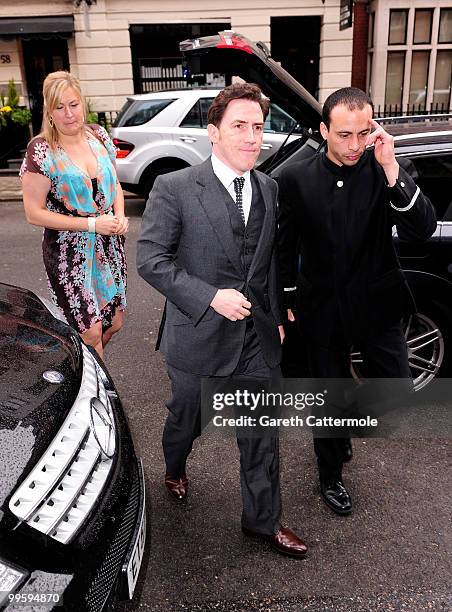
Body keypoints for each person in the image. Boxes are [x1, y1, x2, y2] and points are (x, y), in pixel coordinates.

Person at [137, 83, 307, 558]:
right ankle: (174, 465)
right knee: (185, 420)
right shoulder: (174, 187)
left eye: (258, 127)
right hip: (197, 333)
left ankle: (263, 521)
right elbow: (151, 258)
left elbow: (268, 260)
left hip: (255, 337)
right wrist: (209, 296)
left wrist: (273, 314)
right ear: (212, 132)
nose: (252, 137)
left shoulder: (269, 188)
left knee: (262, 435)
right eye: (239, 126)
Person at [278, 87, 436, 515]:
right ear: (324, 130)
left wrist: (391, 169)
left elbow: (422, 229)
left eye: (362, 133)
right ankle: (330, 474)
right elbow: (282, 247)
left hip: (376, 303)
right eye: (344, 134)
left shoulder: (384, 168)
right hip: (321, 310)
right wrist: (283, 300)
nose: (354, 145)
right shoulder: (294, 178)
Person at [20, 71, 128, 358]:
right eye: (59, 107)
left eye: (74, 104)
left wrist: (120, 215)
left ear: (83, 103)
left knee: (114, 322)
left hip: (109, 246)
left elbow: (114, 183)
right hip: (69, 252)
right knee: (90, 332)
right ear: (49, 112)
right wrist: (93, 224)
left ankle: (82, 366)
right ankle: (98, 392)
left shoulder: (98, 136)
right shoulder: (41, 151)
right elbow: (33, 213)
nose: (69, 114)